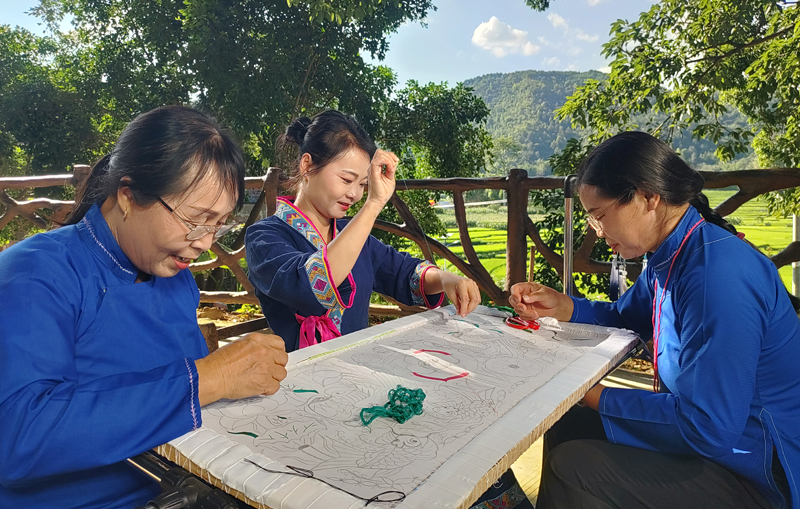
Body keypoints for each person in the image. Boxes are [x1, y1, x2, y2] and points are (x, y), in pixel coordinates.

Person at [0, 106, 289, 508]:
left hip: (184, 489)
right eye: (196, 220)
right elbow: (18, 435)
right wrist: (208, 379)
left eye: (219, 224)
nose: (206, 242)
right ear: (128, 197)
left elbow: (190, 398)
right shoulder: (38, 272)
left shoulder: (176, 279)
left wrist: (228, 378)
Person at [510, 131, 799, 509]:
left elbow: (708, 427)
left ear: (648, 197)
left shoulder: (716, 277)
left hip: (755, 471)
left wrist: (588, 395)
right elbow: (624, 316)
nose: (597, 232)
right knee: (569, 425)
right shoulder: (671, 254)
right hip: (719, 443)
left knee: (575, 467)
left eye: (599, 216)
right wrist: (562, 306)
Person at [245, 110, 482, 352]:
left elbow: (403, 272)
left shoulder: (352, 234)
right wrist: (373, 204)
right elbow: (309, 285)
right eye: (347, 180)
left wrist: (445, 278)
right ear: (307, 165)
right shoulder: (263, 238)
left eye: (362, 185)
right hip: (298, 380)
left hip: (357, 369)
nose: (355, 195)